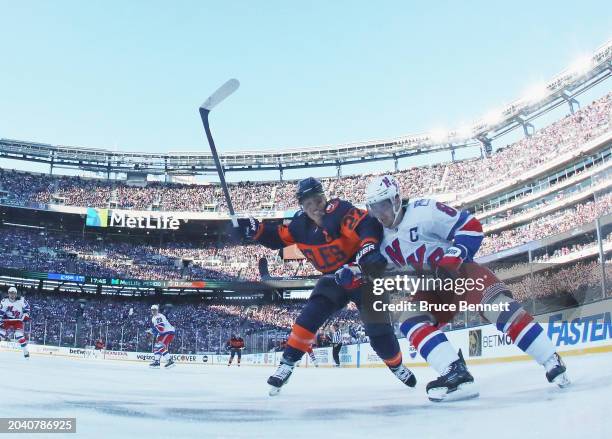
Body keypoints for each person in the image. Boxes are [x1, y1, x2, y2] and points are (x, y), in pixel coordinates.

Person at [340, 175, 570, 402]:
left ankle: (550, 358)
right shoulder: (379, 239)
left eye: (384, 205)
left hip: (460, 273)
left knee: (499, 308)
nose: (381, 214)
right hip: (431, 288)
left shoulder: (424, 211)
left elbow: (471, 227)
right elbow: (373, 269)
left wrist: (454, 255)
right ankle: (455, 373)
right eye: (374, 208)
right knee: (410, 319)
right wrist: (353, 274)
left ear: (397, 200)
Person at [241, 177, 416, 395]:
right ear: (302, 208)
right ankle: (286, 364)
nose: (315, 208)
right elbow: (276, 237)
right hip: (332, 278)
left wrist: (368, 248)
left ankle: (396, 365)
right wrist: (254, 230)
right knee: (309, 317)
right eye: (309, 204)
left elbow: (368, 224)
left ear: (324, 198)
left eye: (317, 200)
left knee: (378, 329)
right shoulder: (299, 227)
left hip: (360, 273)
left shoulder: (341, 211)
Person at [0, 286, 30, 359]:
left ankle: (25, 351)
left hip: (17, 320)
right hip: (7, 319)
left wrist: (25, 315)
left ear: (16, 294)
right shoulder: (4, 301)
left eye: (13, 293)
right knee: (1, 335)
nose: (12, 295)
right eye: (10, 293)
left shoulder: (21, 300)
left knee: (19, 335)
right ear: (8, 293)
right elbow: (1, 312)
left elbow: (27, 308)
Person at [146, 304, 175, 369]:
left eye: (155, 310)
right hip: (163, 333)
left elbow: (161, 328)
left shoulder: (158, 317)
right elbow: (159, 329)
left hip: (168, 332)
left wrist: (151, 331)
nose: (154, 311)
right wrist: (154, 334)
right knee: (156, 347)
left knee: (160, 346)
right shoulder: (154, 318)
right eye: (152, 310)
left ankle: (170, 361)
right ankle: (157, 362)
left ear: (157, 310)